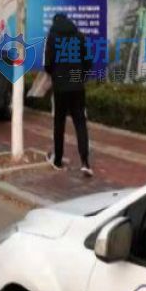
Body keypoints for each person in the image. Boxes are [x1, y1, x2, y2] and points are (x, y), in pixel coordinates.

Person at [44, 13, 92, 176]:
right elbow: (88, 62)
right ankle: (85, 162)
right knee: (80, 124)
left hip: (60, 87)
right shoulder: (79, 36)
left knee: (59, 123)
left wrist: (55, 75)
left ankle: (57, 160)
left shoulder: (52, 37)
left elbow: (48, 65)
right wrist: (81, 77)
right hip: (77, 86)